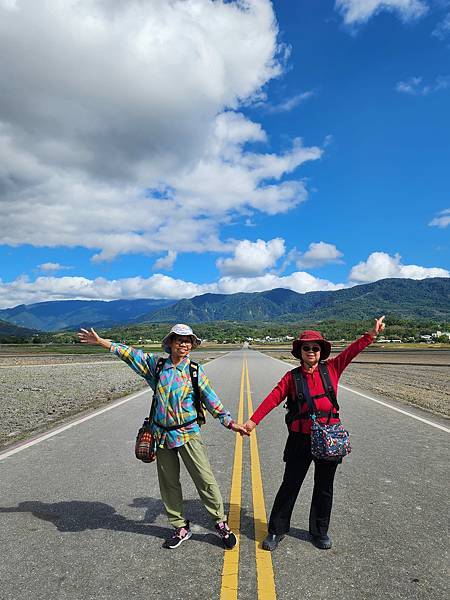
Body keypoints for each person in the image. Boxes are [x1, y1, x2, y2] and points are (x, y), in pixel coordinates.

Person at [77, 323, 248, 550]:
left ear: (192, 345)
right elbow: (130, 354)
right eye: (179, 339)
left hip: (188, 433)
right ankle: (180, 526)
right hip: (162, 436)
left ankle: (220, 523)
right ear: (170, 343)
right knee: (169, 483)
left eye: (188, 341)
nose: (184, 344)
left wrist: (230, 422)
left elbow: (211, 399)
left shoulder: (195, 371)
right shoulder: (156, 367)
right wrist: (102, 342)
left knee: (205, 480)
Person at [243, 316, 386, 552]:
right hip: (300, 439)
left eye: (315, 348)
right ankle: (277, 530)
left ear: (321, 352)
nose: (311, 351)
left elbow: (351, 352)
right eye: (306, 348)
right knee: (290, 484)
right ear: (299, 351)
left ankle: (319, 531)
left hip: (329, 438)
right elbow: (273, 398)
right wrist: (252, 421)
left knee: (324, 486)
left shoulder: (332, 369)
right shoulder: (291, 377)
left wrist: (371, 335)